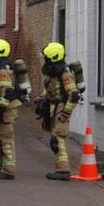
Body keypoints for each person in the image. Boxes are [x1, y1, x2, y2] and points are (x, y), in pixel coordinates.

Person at [36, 41, 80, 181]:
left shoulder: (65, 73)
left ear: (53, 57)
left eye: (47, 58)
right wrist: (42, 98)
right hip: (54, 108)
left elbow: (73, 94)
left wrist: (65, 114)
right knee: (55, 138)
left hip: (61, 108)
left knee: (57, 139)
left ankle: (63, 171)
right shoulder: (54, 72)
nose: (45, 60)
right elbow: (51, 88)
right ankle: (61, 169)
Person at [0, 38, 24, 180]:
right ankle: (0, 167)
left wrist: (1, 109)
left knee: (6, 140)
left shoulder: (3, 70)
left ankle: (8, 170)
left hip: (6, 111)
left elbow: (7, 91)